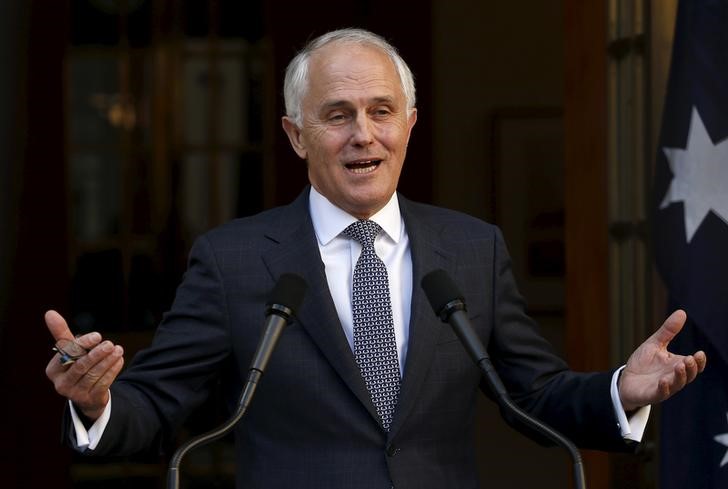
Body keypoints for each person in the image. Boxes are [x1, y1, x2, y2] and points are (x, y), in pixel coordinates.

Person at [45, 28, 706, 489]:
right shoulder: (234, 260)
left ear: (409, 124)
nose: (363, 133)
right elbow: (156, 404)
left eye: (380, 111)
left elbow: (533, 394)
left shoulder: (473, 248)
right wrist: (97, 402)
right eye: (337, 114)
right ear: (295, 136)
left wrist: (621, 388)